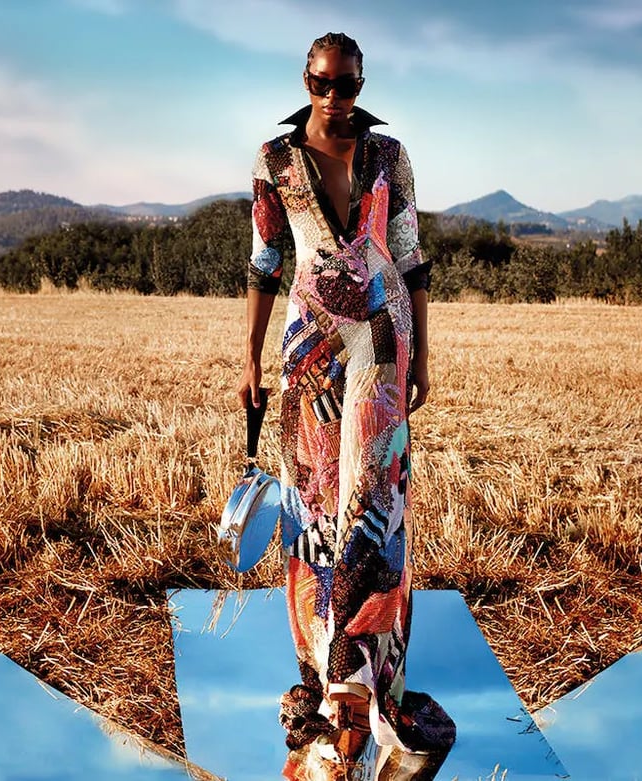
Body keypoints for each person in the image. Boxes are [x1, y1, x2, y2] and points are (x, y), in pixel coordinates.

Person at [237, 32, 455, 775]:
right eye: (322, 84)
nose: (335, 97)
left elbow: (413, 258)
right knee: (313, 503)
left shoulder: (390, 157)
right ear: (305, 81)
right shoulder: (273, 160)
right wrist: (249, 359)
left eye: (348, 85)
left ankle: (366, 686)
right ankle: (321, 671)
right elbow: (265, 264)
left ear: (362, 84)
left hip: (383, 343)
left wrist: (424, 352)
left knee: (374, 503)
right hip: (309, 348)